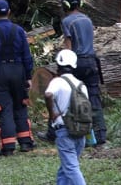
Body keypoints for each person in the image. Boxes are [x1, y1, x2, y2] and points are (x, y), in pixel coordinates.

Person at [0, 0, 36, 155]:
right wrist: (28, 76)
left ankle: (8, 146)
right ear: (9, 12)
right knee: (20, 105)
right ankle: (25, 143)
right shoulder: (18, 31)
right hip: (18, 70)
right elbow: (27, 56)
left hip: (0, 71)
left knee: (4, 108)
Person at [59, 0, 106, 144]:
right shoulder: (87, 19)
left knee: (70, 96)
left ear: (64, 5)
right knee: (93, 96)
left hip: (76, 62)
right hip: (92, 61)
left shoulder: (66, 21)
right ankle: (100, 135)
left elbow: (68, 46)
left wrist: (63, 64)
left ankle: (68, 131)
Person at [44, 49, 89, 185]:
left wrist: (52, 114)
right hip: (80, 131)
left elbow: (48, 95)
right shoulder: (81, 85)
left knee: (71, 167)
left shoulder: (58, 81)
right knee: (66, 167)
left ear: (58, 66)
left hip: (64, 130)